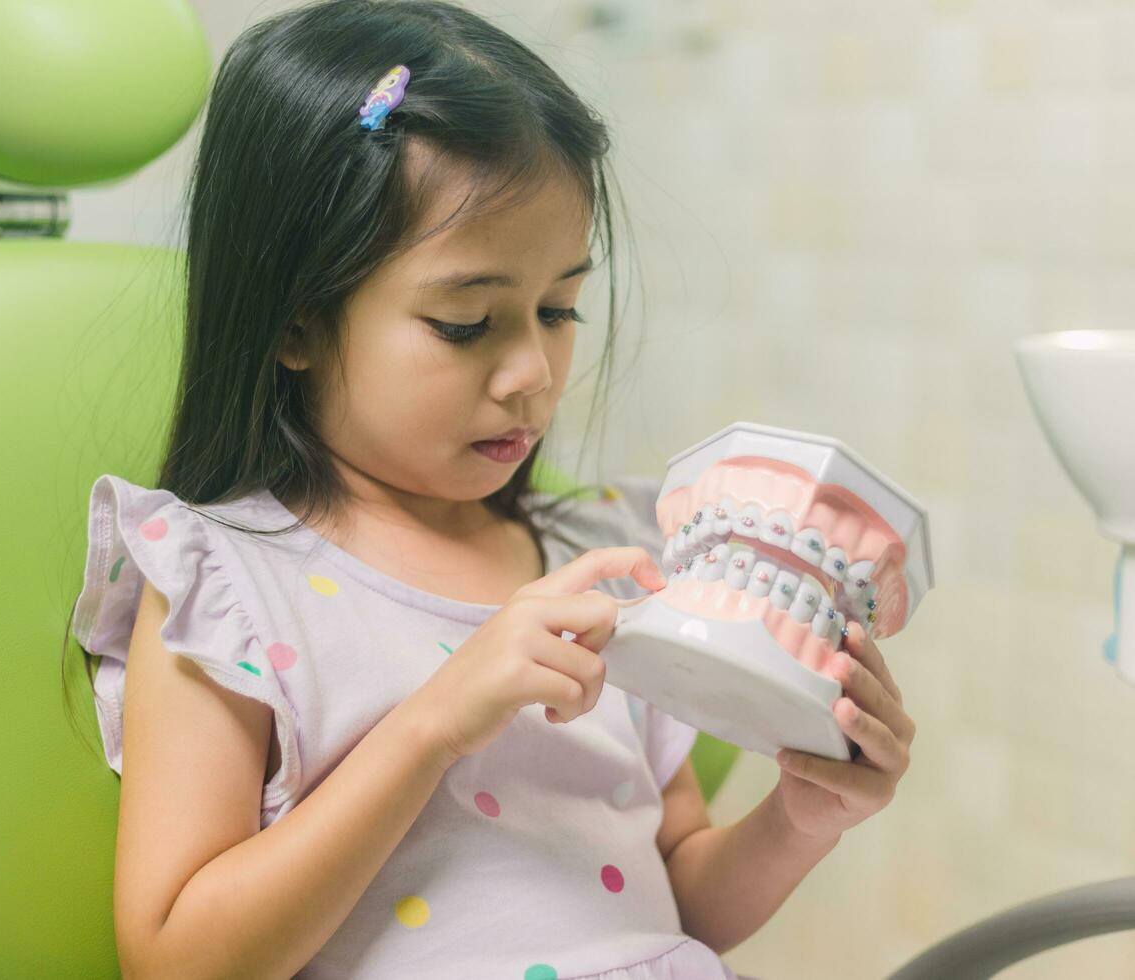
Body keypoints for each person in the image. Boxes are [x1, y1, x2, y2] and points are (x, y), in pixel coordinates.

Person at [65, 1, 916, 976]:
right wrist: (433, 722)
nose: (532, 372)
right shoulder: (226, 586)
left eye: (558, 309)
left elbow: (677, 895)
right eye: (468, 322)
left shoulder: (598, 565)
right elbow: (177, 960)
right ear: (295, 323)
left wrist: (802, 819)